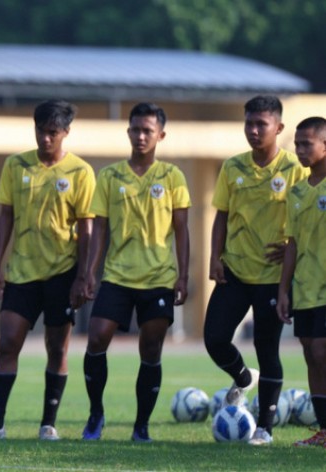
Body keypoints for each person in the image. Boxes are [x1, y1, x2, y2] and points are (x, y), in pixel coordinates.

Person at [0, 100, 95, 441]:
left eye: (52, 133)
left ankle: (48, 424)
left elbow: (87, 227)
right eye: (40, 131)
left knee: (57, 348)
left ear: (66, 133)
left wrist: (84, 275)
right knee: (8, 342)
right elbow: (5, 217)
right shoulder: (16, 165)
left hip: (62, 272)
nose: (45, 139)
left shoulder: (80, 172)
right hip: (22, 272)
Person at [81, 102, 190, 443]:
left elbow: (183, 229)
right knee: (97, 337)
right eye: (135, 130)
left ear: (161, 135)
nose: (141, 136)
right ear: (128, 132)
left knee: (152, 347)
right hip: (117, 275)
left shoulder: (172, 176)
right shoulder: (110, 176)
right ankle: (96, 413)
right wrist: (89, 272)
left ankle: (141, 425)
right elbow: (99, 227)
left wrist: (183, 275)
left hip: (158, 277)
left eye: (148, 130)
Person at [203, 95, 307, 446]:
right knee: (214, 338)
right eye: (248, 122)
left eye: (260, 124)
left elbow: (307, 216)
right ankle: (244, 378)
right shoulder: (233, 167)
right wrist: (214, 257)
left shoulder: (296, 169)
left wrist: (293, 249)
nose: (253, 130)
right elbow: (222, 215)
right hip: (234, 270)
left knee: (267, 348)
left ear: (278, 128)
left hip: (271, 277)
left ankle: (264, 428)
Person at [277, 116, 326, 447]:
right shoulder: (295, 192)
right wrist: (283, 289)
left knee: (322, 351)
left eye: (306, 143)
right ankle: (323, 430)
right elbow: (291, 244)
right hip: (305, 288)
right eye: (297, 144)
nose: (299, 149)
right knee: (311, 353)